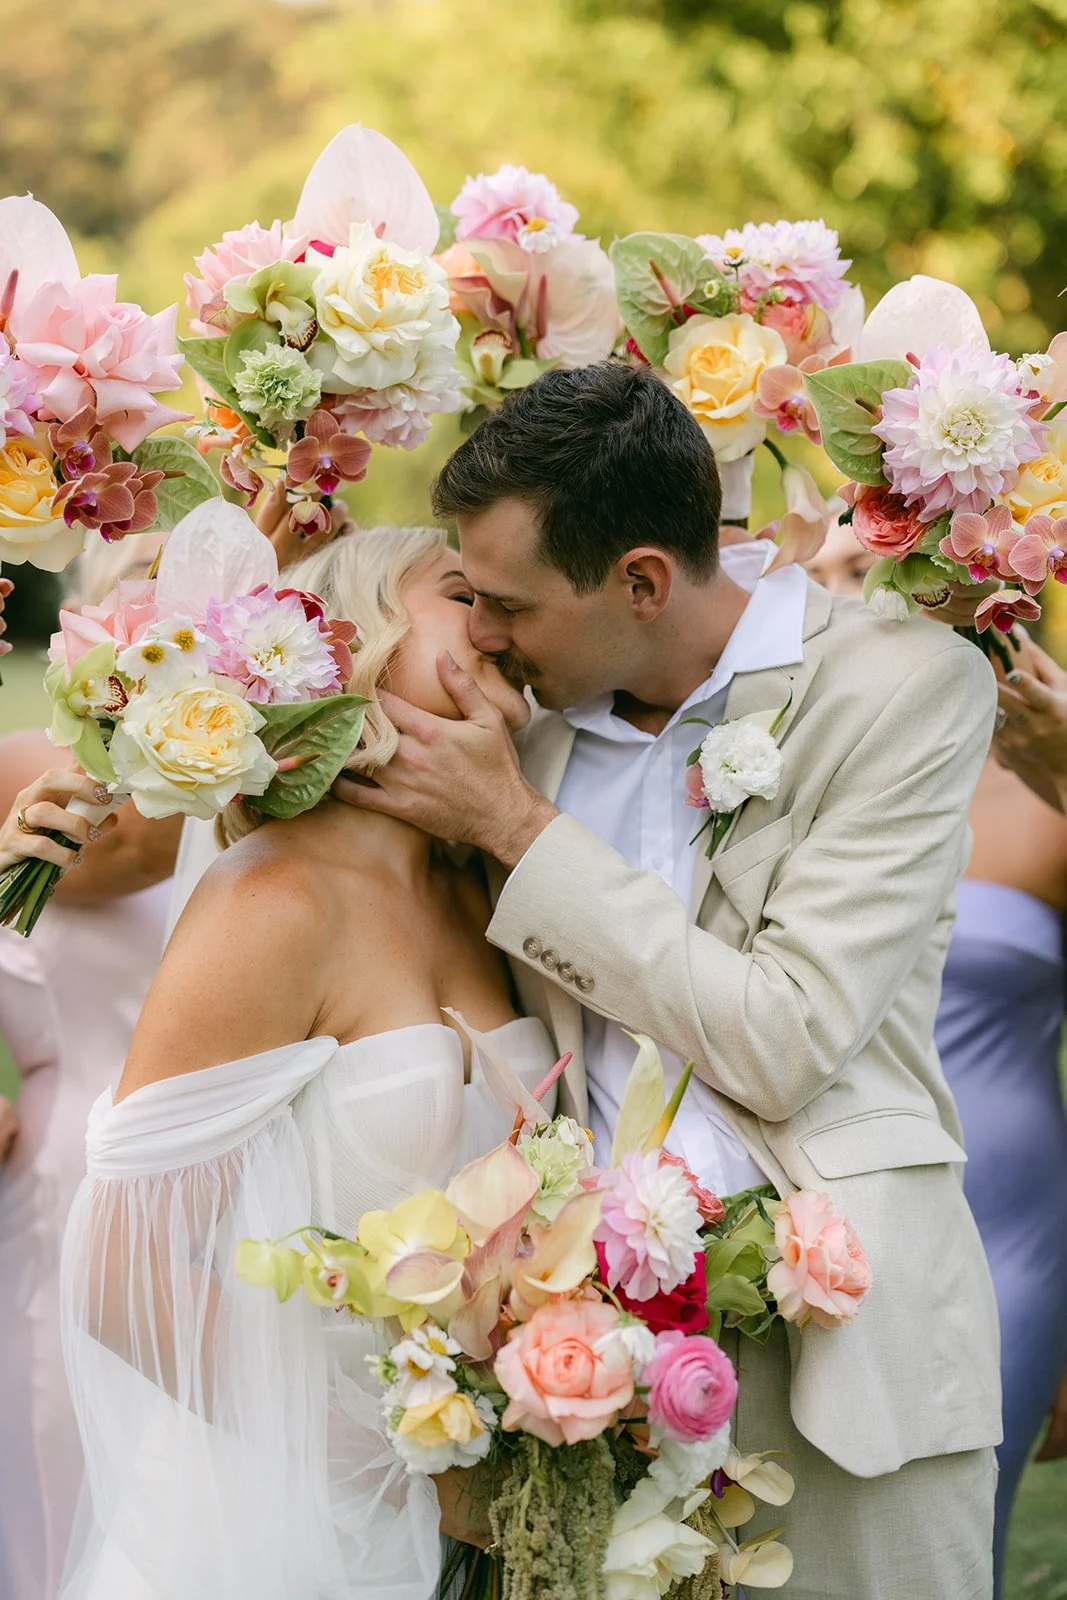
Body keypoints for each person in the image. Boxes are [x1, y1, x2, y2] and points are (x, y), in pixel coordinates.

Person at [335, 362, 1002, 1600]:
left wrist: (519, 831)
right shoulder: (513, 727)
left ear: (640, 580)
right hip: (581, 1372)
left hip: (843, 1344)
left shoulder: (901, 689)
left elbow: (785, 1033)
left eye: (509, 603)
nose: (481, 632)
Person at [58, 523, 557, 1600]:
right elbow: (116, 1268)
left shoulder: (488, 899)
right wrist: (394, 1465)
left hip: (476, 1504)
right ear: (352, 632)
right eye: (466, 595)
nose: (499, 627)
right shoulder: (274, 898)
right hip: (274, 1514)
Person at [808, 513, 1067, 1597]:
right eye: (829, 566)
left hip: (1008, 1230)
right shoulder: (802, 763)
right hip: (824, 1219)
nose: (838, 589)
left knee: (957, 1545)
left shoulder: (1045, 781)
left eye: (867, 564)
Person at [0, 536, 181, 1600]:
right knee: (69, 1482)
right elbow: (125, 850)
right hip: (78, 1183)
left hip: (230, 1180)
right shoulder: (33, 765)